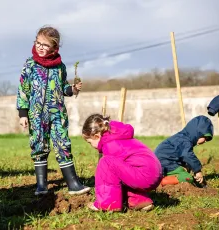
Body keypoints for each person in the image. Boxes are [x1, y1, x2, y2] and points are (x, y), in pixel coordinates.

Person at [16, 26, 90, 196]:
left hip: (57, 114)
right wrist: (23, 114)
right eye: (38, 43)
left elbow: (62, 87)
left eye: (45, 45)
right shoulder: (30, 64)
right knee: (39, 146)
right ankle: (41, 185)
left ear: (54, 48)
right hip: (36, 115)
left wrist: (72, 89)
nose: (40, 47)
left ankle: (73, 183)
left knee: (63, 143)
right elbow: (23, 89)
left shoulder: (60, 67)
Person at [82, 114, 162, 211]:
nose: (91, 146)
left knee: (106, 163)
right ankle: (139, 201)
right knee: (125, 169)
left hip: (143, 175)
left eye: (90, 142)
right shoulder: (119, 137)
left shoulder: (109, 145)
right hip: (154, 173)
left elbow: (111, 176)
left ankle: (108, 204)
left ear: (96, 136)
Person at [155, 115, 213, 187]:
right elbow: (187, 155)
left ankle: (168, 176)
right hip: (165, 163)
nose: (205, 141)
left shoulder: (182, 137)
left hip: (165, 162)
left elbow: (179, 154)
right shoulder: (185, 141)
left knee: (187, 166)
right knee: (188, 178)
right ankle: (162, 182)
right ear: (198, 133)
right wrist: (197, 171)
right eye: (205, 138)